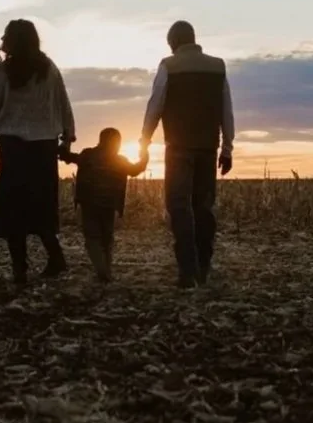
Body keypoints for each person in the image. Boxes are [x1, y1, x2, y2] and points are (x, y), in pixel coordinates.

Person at [140, 21, 235, 288]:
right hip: (208, 147)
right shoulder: (218, 67)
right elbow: (226, 110)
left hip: (178, 147)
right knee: (203, 207)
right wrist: (227, 148)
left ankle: (187, 269)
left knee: (178, 205)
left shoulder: (169, 66)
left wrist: (144, 142)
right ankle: (204, 265)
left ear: (173, 42)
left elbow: (155, 106)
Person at [0, 19, 75, 285]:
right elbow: (63, 102)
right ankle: (56, 258)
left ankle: (19, 269)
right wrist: (67, 137)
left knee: (14, 209)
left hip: (13, 147)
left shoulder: (5, 72)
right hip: (43, 147)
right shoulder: (49, 70)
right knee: (42, 205)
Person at [62, 127, 148, 283]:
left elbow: (66, 156)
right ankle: (106, 270)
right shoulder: (120, 160)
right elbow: (137, 169)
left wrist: (65, 142)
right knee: (107, 238)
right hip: (110, 205)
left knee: (92, 238)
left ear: (100, 140)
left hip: (89, 203)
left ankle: (102, 270)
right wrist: (144, 151)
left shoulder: (87, 155)